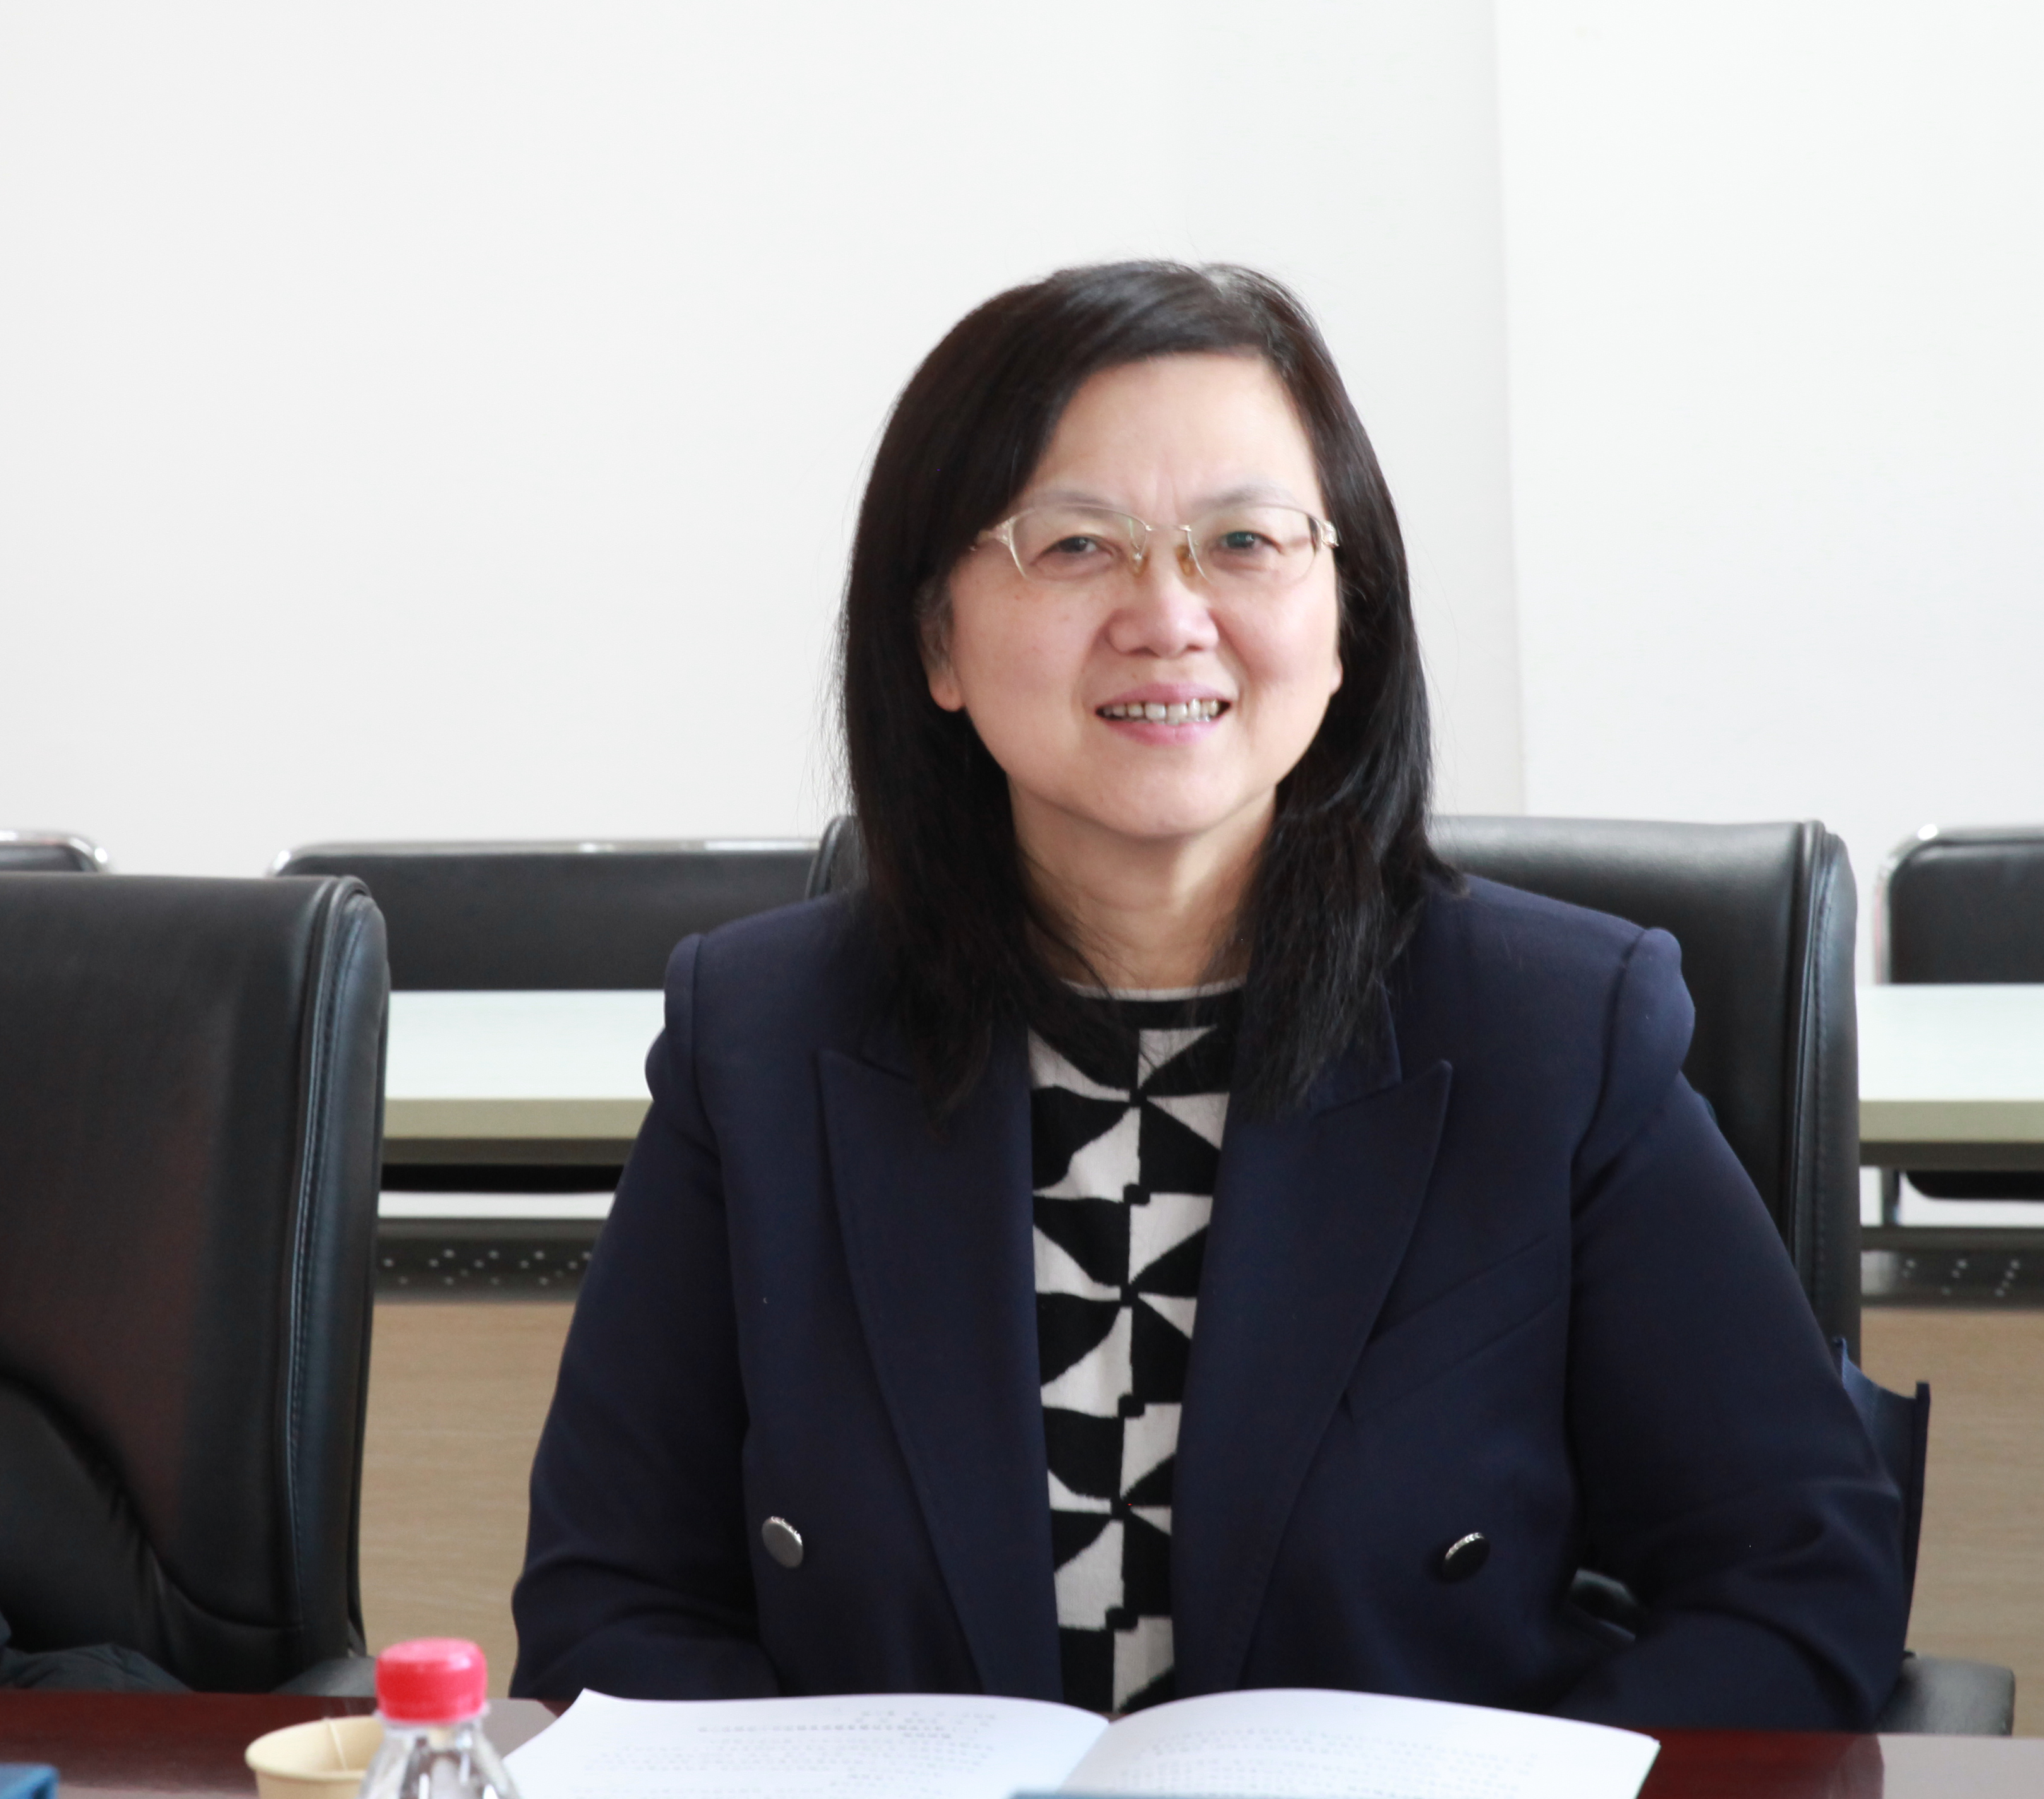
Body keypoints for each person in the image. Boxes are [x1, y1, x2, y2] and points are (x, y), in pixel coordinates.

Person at [510, 261, 1908, 1726]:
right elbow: (613, 1603)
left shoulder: (1555, 1033)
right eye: (1076, 545)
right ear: (935, 640)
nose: (1169, 615)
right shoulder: (758, 1040)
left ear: (1345, 619)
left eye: (1244, 541)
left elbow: (1796, 1577)